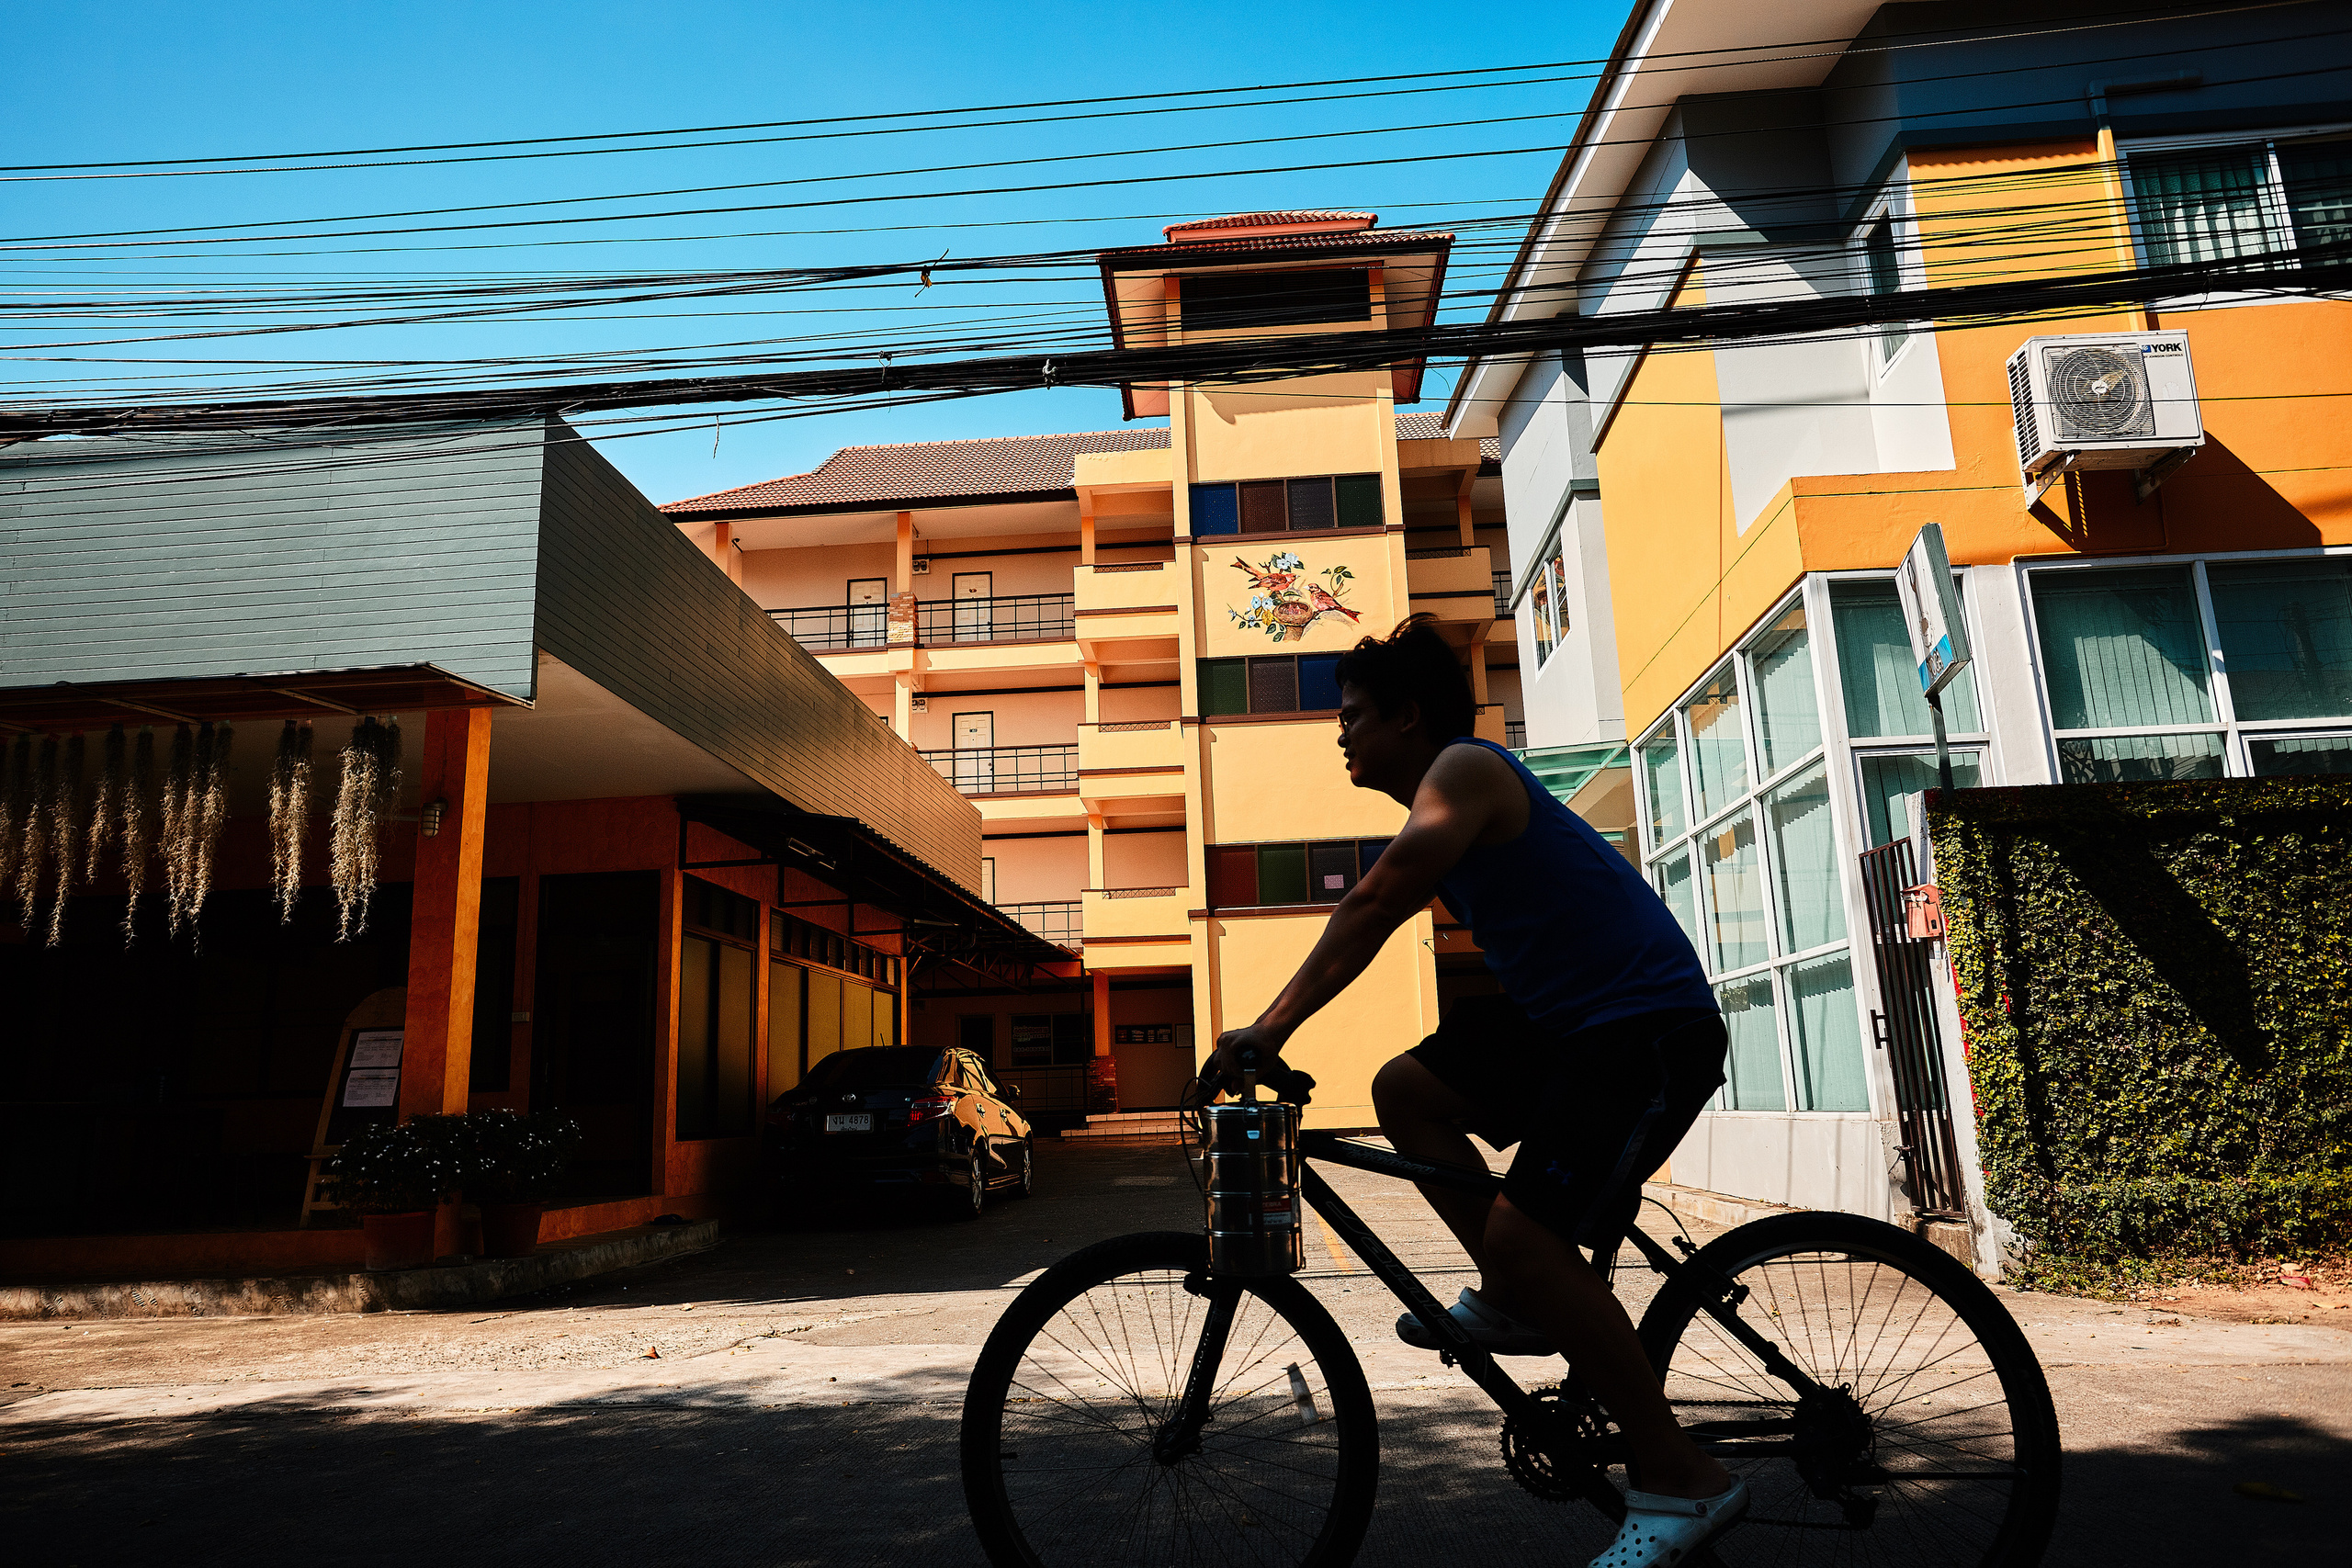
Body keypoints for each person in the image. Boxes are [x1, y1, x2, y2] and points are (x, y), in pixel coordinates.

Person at [1207, 615, 1743, 1568]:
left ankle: (1681, 1476)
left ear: (1408, 716)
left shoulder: (1464, 769)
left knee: (1524, 1235)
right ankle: (1517, 1299)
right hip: (1567, 1025)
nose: (1340, 732)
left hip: (1641, 1029)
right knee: (1405, 1092)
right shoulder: (1447, 788)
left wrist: (1268, 1029)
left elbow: (1373, 904)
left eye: (1353, 714)